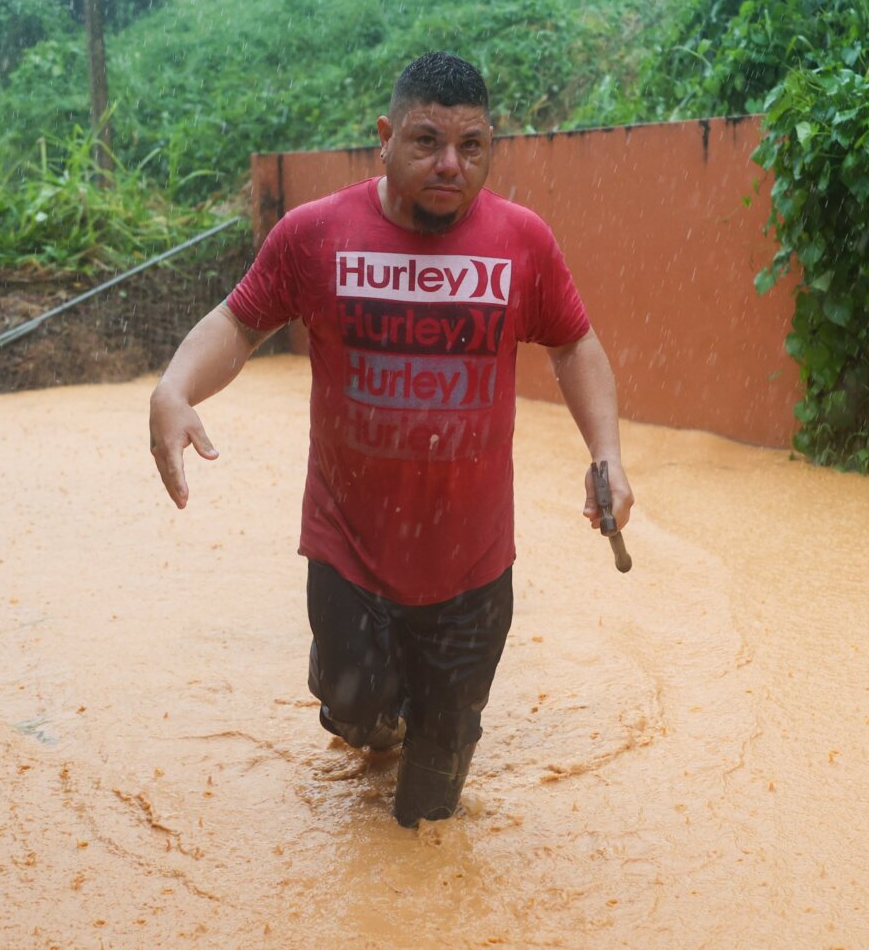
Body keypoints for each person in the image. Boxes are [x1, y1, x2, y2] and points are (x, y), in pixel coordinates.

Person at [148, 51, 634, 826]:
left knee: (429, 819)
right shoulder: (316, 235)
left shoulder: (522, 243)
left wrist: (605, 454)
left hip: (473, 573)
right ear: (383, 136)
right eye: (426, 141)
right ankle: (365, 706)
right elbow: (240, 322)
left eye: (471, 147)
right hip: (352, 556)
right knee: (358, 718)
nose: (450, 165)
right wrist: (175, 389)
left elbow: (574, 345)